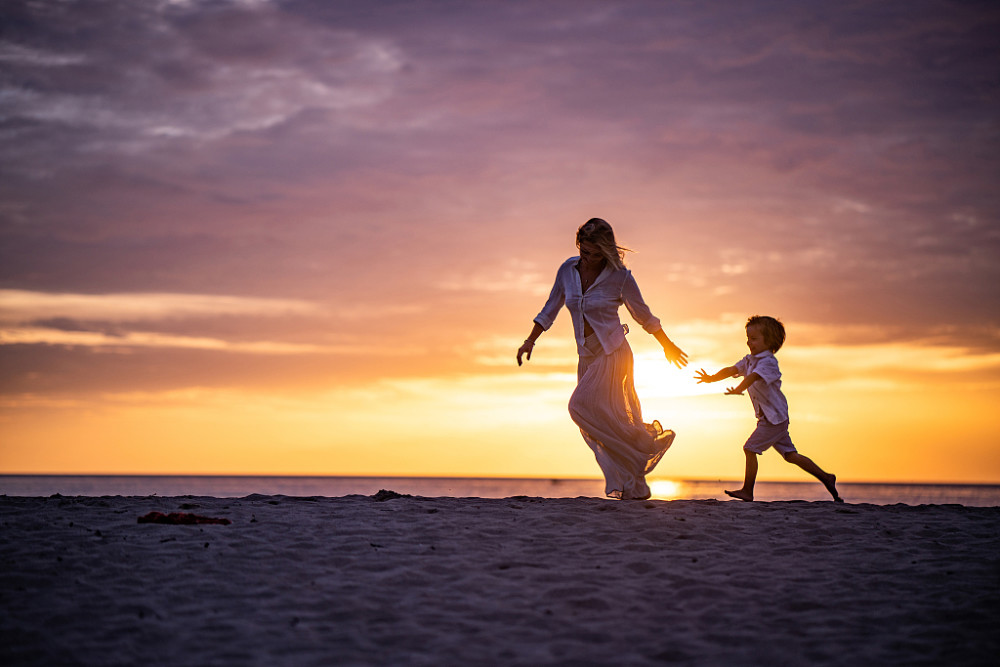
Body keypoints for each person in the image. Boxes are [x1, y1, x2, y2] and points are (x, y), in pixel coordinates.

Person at [517, 218, 688, 500]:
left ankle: (634, 463)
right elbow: (551, 306)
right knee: (609, 420)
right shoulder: (567, 270)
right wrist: (530, 339)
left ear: (607, 251)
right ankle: (635, 482)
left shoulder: (620, 276)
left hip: (613, 354)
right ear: (578, 245)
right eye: (586, 252)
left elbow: (643, 314)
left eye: (597, 254)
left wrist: (667, 345)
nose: (591, 259)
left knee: (579, 407)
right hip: (586, 357)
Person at [694, 315, 842, 502]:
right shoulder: (749, 360)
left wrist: (739, 389)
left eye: (754, 339)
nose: (749, 343)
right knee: (790, 455)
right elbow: (732, 370)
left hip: (773, 418)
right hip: (772, 418)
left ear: (769, 341)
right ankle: (827, 477)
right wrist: (711, 377)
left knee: (750, 448)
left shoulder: (768, 363)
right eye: (748, 338)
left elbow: (753, 378)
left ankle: (748, 491)